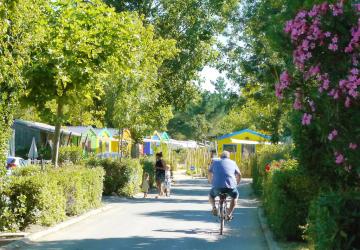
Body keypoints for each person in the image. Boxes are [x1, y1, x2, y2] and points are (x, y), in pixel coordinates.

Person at [208, 150, 241, 220]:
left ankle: (214, 207)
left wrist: (211, 181)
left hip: (217, 186)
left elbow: (209, 172)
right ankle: (229, 214)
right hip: (230, 187)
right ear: (228, 157)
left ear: (220, 157)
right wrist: (236, 184)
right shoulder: (233, 163)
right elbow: (239, 174)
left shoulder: (215, 162)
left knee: (211, 195)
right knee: (235, 196)